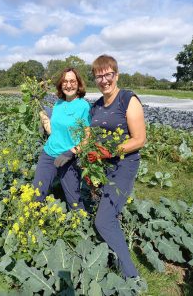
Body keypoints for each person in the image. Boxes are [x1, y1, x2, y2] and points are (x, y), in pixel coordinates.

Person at [89, 54, 146, 279]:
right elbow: (90, 138)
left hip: (124, 165)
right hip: (102, 168)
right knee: (108, 214)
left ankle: (131, 277)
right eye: (99, 76)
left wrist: (109, 151)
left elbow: (139, 139)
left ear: (116, 75)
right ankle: (113, 253)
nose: (104, 80)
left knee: (103, 220)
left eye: (108, 74)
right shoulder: (96, 106)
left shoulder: (127, 99)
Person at [33, 67, 91, 210]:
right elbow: (54, 129)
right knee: (36, 195)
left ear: (78, 84)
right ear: (61, 84)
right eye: (65, 81)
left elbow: (87, 137)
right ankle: (33, 225)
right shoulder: (58, 103)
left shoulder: (84, 106)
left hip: (69, 158)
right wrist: (43, 116)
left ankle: (81, 229)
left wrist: (72, 151)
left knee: (75, 203)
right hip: (49, 154)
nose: (68, 85)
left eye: (72, 81)